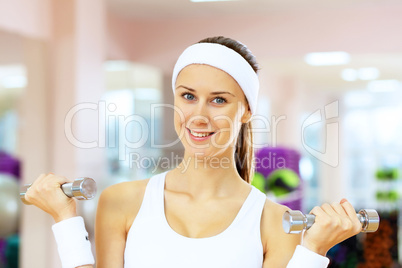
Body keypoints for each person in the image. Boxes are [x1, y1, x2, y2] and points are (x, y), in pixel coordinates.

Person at [25, 36, 362, 268]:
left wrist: (313, 250)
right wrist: (65, 219)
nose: (199, 115)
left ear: (246, 111)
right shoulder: (122, 202)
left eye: (219, 99)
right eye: (188, 96)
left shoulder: (275, 221)